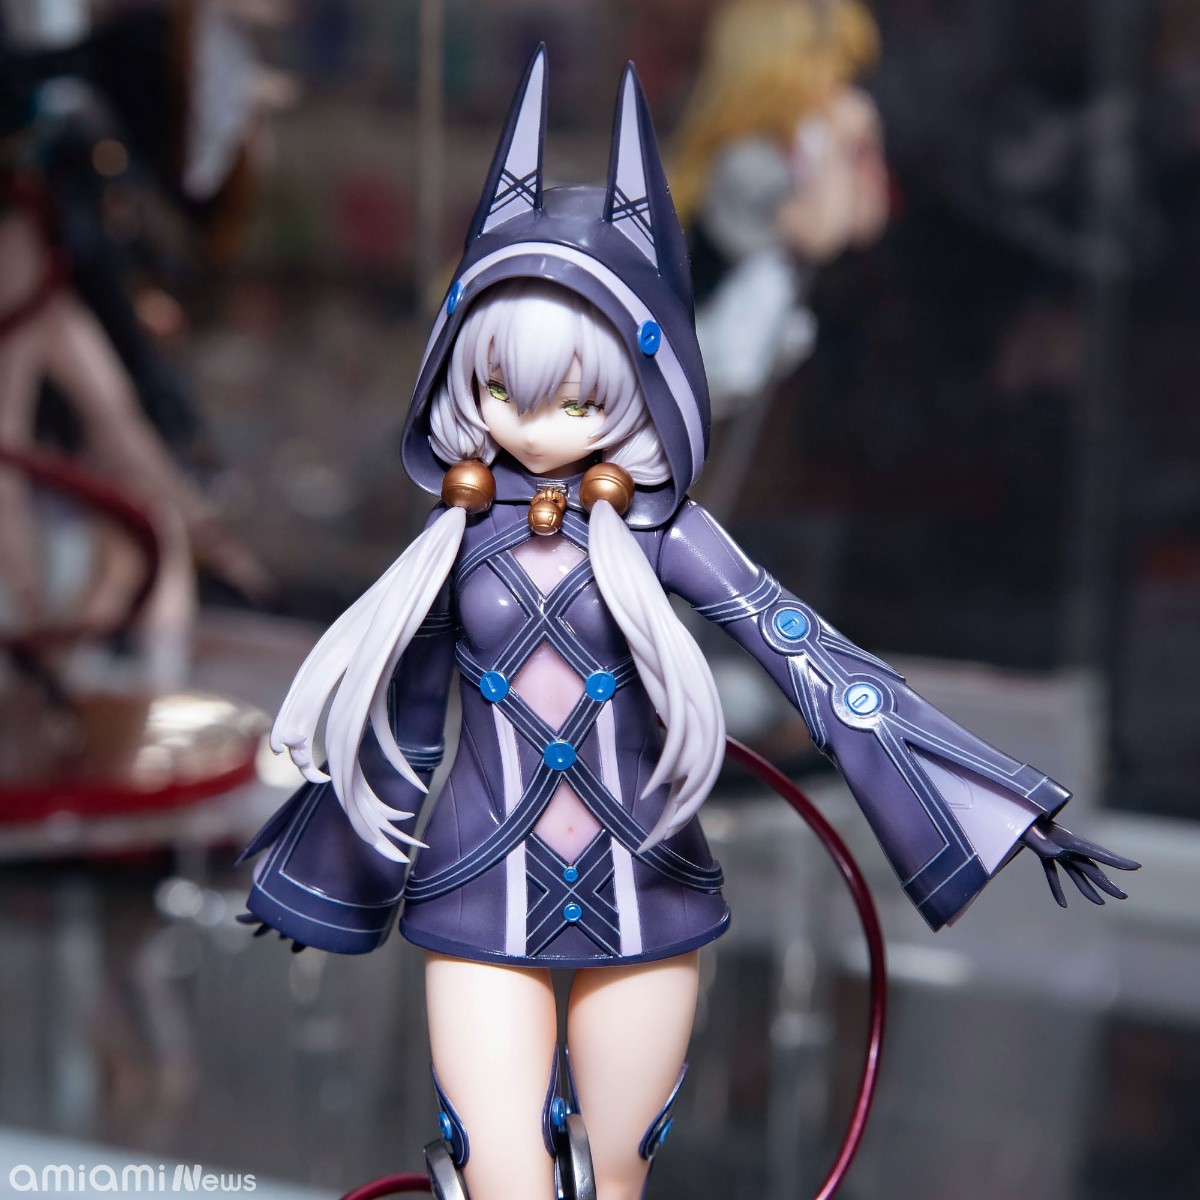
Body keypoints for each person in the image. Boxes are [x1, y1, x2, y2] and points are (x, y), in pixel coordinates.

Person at [240, 49, 1137, 1200]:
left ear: (642, 383)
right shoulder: (454, 540)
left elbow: (815, 663)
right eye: (504, 390)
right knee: (499, 1175)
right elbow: (400, 721)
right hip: (477, 890)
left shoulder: (665, 534)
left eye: (576, 397)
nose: (535, 425)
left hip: (645, 889)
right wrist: (323, 873)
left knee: (613, 1180)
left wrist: (995, 806)